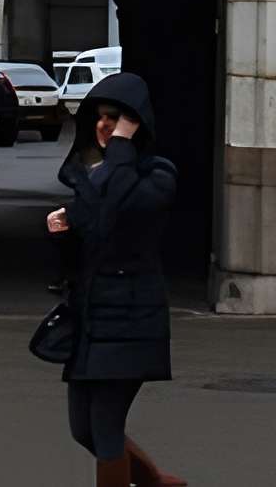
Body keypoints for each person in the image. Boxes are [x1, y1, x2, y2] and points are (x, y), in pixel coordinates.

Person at [45, 71, 184, 487]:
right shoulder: (95, 175)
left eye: (118, 118)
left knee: (105, 429)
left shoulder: (158, 173)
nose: (106, 127)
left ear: (137, 123)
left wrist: (123, 144)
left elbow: (125, 209)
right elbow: (90, 240)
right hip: (91, 317)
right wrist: (63, 228)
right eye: (101, 119)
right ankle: (155, 481)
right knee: (83, 429)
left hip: (132, 318)